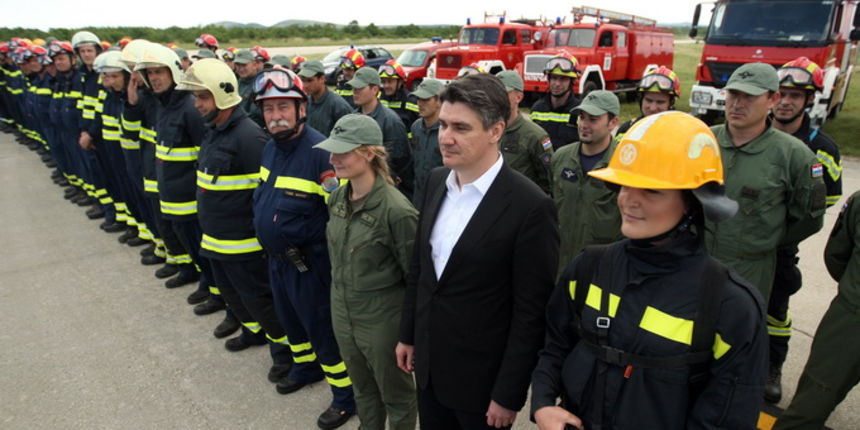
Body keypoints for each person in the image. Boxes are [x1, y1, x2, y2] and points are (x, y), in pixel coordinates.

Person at [531, 111, 768, 430]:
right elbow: (555, 343)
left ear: (693, 202)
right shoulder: (590, 267)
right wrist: (544, 403)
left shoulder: (730, 305)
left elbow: (729, 415)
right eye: (625, 185)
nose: (629, 200)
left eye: (652, 190)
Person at [396, 73, 560, 430]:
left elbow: (530, 313)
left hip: (481, 389)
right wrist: (408, 333)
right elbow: (421, 269)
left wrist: (509, 393)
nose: (445, 138)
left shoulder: (531, 207)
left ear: (496, 131)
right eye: (442, 125)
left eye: (461, 128)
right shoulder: (438, 180)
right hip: (428, 368)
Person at [251, 66, 355, 429]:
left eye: (283, 107)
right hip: (278, 262)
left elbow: (342, 218)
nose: (275, 116)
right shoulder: (269, 150)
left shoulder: (322, 155)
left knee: (322, 330)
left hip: (309, 266)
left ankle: (346, 397)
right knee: (292, 323)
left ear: (301, 109)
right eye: (268, 109)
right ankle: (305, 368)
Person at [177, 58, 294, 380]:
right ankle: (252, 331)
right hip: (216, 239)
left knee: (261, 302)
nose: (197, 104)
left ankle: (284, 352)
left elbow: (267, 197)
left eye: (202, 97)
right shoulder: (214, 131)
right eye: (195, 98)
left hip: (243, 245)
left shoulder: (249, 138)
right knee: (234, 296)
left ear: (222, 94)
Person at [320, 114, 419, 430]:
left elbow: (415, 279)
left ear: (368, 153)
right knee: (362, 388)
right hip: (344, 313)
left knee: (397, 396)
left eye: (342, 152)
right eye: (332, 150)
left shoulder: (397, 211)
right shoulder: (337, 198)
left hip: (382, 320)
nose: (333, 158)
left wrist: (409, 335)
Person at [705, 62, 826, 303]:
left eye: (749, 96)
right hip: (696, 262)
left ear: (773, 99)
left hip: (750, 270)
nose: (738, 104)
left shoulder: (795, 156)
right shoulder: (701, 140)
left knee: (738, 332)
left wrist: (762, 239)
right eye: (733, 94)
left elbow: (807, 220)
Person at [764, 57, 844, 403]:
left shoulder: (822, 148)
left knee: (775, 311)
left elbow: (826, 202)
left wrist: (783, 230)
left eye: (795, 95)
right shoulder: (755, 133)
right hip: (737, 240)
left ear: (810, 99)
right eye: (780, 94)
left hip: (780, 246)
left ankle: (771, 366)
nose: (785, 101)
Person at [774, 190, 860, 430]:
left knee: (812, 403)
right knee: (809, 406)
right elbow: (838, 254)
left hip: (852, 314)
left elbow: (838, 255)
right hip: (851, 318)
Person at [550, 90, 624, 273]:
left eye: (593, 119)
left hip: (601, 269)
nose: (584, 124)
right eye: (582, 118)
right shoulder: (561, 158)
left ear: (613, 123)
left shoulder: (623, 164)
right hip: (559, 264)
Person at [348, 67, 412, 198]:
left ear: (375, 90)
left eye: (359, 88)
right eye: (353, 88)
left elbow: (401, 162)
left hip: (382, 190)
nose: (355, 92)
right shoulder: (352, 118)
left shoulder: (391, 121)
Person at [496, 70, 553, 194]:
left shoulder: (535, 136)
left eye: (504, 93)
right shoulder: (486, 131)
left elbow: (548, 181)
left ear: (519, 97)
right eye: (495, 93)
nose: (497, 98)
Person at [530, 52, 581, 149]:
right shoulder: (537, 109)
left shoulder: (579, 111)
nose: (557, 83)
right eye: (554, 78)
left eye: (563, 79)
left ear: (572, 81)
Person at [615, 66, 680, 140]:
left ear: (671, 103)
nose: (653, 108)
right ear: (641, 99)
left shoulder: (680, 133)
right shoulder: (626, 130)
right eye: (649, 100)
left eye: (660, 102)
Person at [408, 78, 444, 209]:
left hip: (440, 200)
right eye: (418, 99)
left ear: (439, 101)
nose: (420, 104)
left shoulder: (448, 131)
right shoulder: (416, 128)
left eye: (425, 100)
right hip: (418, 199)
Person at [297, 59, 352, 137]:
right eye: (303, 80)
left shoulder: (338, 106)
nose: (305, 85)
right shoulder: (306, 103)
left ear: (322, 79)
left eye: (309, 80)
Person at [378, 60, 419, 129]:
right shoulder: (378, 98)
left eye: (390, 81)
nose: (386, 85)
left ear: (400, 82)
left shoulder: (411, 101)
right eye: (383, 81)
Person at [233, 48, 266, 128]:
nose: (240, 69)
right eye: (237, 65)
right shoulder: (237, 82)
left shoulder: (260, 84)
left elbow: (255, 116)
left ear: (254, 65)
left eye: (244, 65)